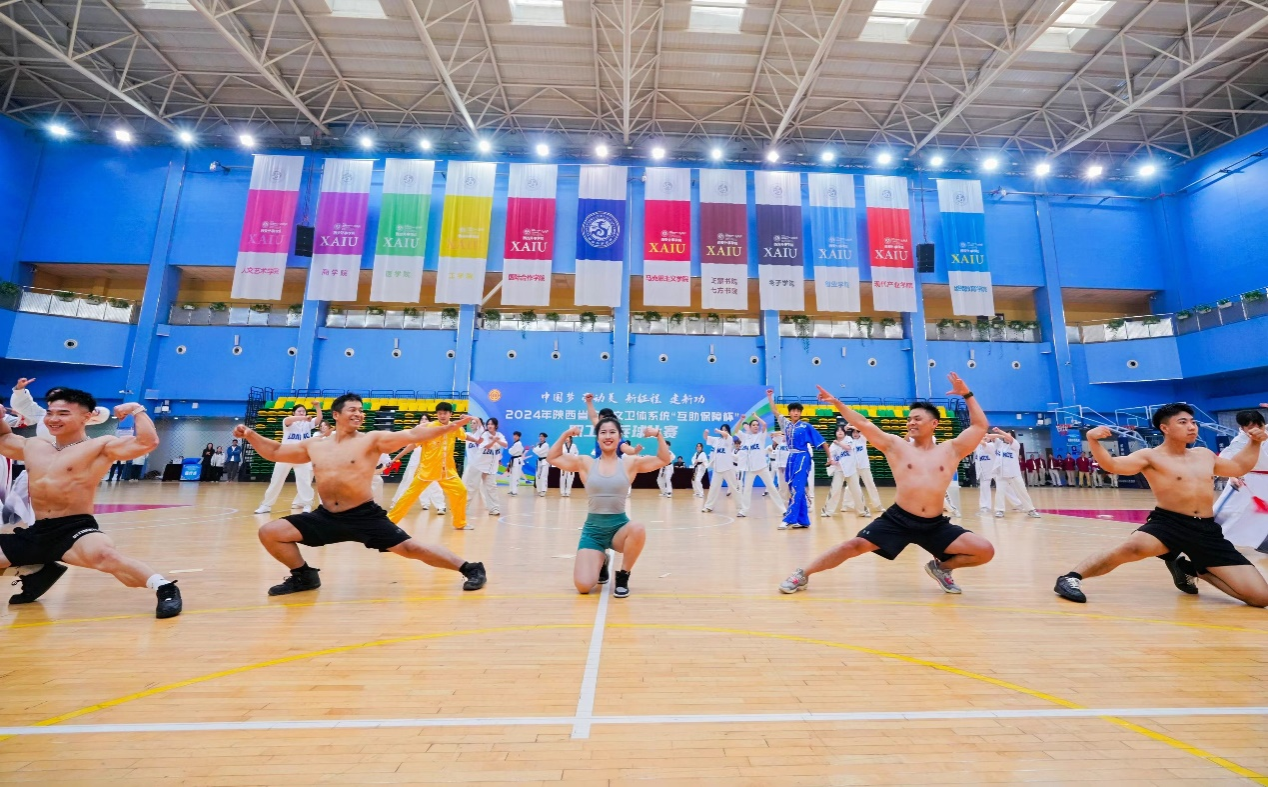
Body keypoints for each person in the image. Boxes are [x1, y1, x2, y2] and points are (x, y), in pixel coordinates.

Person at [236, 393, 486, 596]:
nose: (359, 413)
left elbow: (412, 435)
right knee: (270, 532)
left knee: (410, 548)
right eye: (352, 409)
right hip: (327, 516)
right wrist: (250, 434)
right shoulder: (315, 445)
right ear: (336, 415)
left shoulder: (371, 440)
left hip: (364, 516)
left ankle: (470, 568)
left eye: (361, 410)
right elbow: (276, 451)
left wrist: (449, 427)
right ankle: (304, 576)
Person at [781, 376, 993, 595]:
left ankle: (942, 568)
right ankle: (802, 574)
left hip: (934, 524)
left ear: (934, 424)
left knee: (985, 551)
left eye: (917, 419)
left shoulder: (952, 450)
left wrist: (967, 394)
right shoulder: (895, 446)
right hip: (899, 519)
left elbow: (980, 426)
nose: (911, 423)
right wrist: (837, 403)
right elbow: (863, 423)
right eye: (909, 419)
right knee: (853, 546)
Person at [1055, 405, 1268, 606]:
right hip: (1169, 523)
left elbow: (1238, 466)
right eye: (1183, 422)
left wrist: (1254, 442)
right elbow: (1113, 465)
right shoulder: (1150, 456)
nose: (1191, 427)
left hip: (1206, 530)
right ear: (1165, 428)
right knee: (1132, 548)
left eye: (1193, 422)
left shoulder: (1204, 454)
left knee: (1261, 598)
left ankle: (1194, 569)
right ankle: (1071, 578)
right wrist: (1093, 440)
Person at [0, 388, 181, 617]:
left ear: (86, 417)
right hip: (38, 530)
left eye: (63, 413)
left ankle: (165, 588)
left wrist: (137, 409)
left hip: (75, 529)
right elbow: (3, 439)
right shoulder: (34, 446)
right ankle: (35, 571)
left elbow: (147, 442)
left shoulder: (100, 447)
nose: (54, 419)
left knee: (105, 557)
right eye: (50, 413)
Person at [548, 418, 671, 598]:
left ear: (620, 437)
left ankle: (623, 576)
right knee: (583, 586)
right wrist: (566, 434)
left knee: (638, 528)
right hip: (593, 532)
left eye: (612, 432)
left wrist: (658, 435)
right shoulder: (586, 462)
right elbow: (552, 457)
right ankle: (602, 560)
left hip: (619, 529)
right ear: (597, 438)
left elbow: (664, 459)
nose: (608, 436)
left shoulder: (629, 463)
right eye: (603, 432)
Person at [387, 403, 469, 529]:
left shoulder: (454, 428)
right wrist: (397, 457)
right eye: (439, 413)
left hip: (446, 471)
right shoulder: (430, 428)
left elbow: (465, 436)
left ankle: (459, 523)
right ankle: (390, 521)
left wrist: (478, 439)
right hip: (426, 471)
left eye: (445, 413)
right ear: (437, 415)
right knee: (409, 496)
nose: (442, 416)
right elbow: (413, 444)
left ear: (450, 414)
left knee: (460, 491)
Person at [766, 390, 826, 530]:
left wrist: (830, 457)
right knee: (794, 487)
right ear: (790, 412)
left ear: (800, 413)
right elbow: (775, 411)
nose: (796, 413)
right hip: (791, 457)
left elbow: (822, 441)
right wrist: (769, 396)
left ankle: (789, 518)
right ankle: (803, 520)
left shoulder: (805, 426)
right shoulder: (786, 424)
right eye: (793, 411)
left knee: (797, 488)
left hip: (802, 456)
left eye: (798, 411)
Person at [1213, 410, 1268, 553]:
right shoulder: (1239, 442)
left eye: (1259, 426)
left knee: (1262, 515)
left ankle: (1263, 542)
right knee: (1225, 512)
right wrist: (1232, 476)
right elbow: (1226, 463)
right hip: (1247, 480)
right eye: (1250, 427)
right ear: (1242, 428)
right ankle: (1206, 536)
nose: (1256, 429)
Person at [254, 402, 321, 515]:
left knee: (304, 482)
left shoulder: (307, 424)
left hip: (301, 457)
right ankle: (266, 505)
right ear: (294, 413)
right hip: (285, 455)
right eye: (299, 411)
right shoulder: (287, 421)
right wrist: (304, 417)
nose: (302, 413)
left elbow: (318, 419)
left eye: (304, 411)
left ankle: (307, 505)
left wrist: (317, 407)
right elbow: (289, 420)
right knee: (276, 481)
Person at [738, 418, 786, 517]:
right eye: (753, 425)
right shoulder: (745, 437)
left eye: (757, 425)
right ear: (750, 427)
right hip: (750, 469)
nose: (756, 426)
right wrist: (741, 420)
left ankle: (783, 510)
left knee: (771, 488)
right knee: (746, 490)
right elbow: (736, 431)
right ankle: (744, 511)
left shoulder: (761, 436)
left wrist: (756, 416)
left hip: (762, 467)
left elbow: (764, 425)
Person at [990, 429, 1041, 518]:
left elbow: (1009, 438)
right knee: (1000, 492)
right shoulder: (999, 444)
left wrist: (1000, 431)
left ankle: (1030, 510)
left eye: (1008, 436)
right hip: (1001, 473)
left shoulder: (1015, 445)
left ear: (1013, 437)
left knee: (1022, 492)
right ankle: (999, 510)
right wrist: (1002, 435)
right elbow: (990, 436)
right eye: (1005, 436)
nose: (1006, 437)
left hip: (1013, 473)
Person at [822, 426, 863, 517]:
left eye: (841, 430)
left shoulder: (848, 439)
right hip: (839, 470)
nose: (840, 432)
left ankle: (862, 511)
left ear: (845, 432)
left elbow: (848, 448)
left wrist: (838, 443)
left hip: (851, 470)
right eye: (838, 431)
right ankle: (828, 511)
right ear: (835, 433)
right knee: (835, 491)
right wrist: (831, 461)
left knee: (856, 491)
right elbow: (830, 458)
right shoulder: (833, 446)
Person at [470, 417, 506, 517]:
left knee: (492, 487)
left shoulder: (499, 435)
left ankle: (494, 509)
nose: (490, 426)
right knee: (471, 488)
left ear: (496, 426)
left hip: (490, 467)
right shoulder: (484, 435)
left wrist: (497, 440)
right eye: (488, 424)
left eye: (492, 424)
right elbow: (486, 446)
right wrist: (494, 441)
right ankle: (461, 508)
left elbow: (505, 444)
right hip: (479, 466)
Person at [702, 424, 737, 514]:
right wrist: (706, 432)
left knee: (734, 488)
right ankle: (708, 506)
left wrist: (718, 430)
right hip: (717, 468)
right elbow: (706, 438)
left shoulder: (729, 439)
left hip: (728, 468)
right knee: (713, 488)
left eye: (725, 430)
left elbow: (725, 434)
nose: (723, 431)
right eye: (722, 429)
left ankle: (741, 507)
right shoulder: (717, 440)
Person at [847, 426, 883, 513]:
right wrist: (847, 427)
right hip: (853, 467)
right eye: (853, 432)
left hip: (864, 466)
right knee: (850, 487)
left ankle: (877, 505)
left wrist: (851, 426)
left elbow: (864, 429)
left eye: (857, 432)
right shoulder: (849, 441)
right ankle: (847, 505)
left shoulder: (863, 439)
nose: (855, 434)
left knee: (870, 485)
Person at [974, 436, 998, 513]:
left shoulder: (992, 445)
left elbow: (983, 444)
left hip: (995, 470)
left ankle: (1018, 504)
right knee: (984, 488)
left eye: (986, 436)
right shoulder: (978, 447)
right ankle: (985, 506)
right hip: (983, 471)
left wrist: (977, 438)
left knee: (1006, 488)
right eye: (983, 436)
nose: (984, 438)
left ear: (990, 438)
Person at [532, 432, 551, 497]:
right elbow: (538, 453)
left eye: (542, 436)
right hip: (540, 460)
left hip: (545, 461)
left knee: (543, 476)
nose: (540, 437)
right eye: (540, 436)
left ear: (545, 438)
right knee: (538, 475)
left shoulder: (546, 445)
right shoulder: (539, 445)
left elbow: (539, 451)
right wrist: (535, 448)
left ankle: (543, 490)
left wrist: (534, 448)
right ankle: (539, 490)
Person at [507, 431, 525, 496]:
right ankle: (511, 490)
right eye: (514, 435)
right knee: (511, 475)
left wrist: (510, 449)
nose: (515, 437)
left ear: (519, 437)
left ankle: (515, 491)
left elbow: (511, 451)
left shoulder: (518, 444)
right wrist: (511, 450)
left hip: (517, 461)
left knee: (516, 476)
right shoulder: (515, 443)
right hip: (513, 460)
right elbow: (511, 451)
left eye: (516, 436)